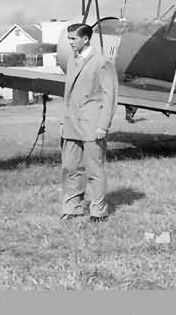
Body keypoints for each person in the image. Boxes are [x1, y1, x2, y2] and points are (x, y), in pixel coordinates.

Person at [59, 23, 118, 222]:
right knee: (69, 167)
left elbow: (110, 96)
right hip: (71, 123)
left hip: (92, 124)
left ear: (85, 39)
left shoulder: (102, 62)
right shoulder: (71, 60)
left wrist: (103, 125)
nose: (69, 43)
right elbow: (68, 95)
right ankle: (72, 207)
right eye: (69, 38)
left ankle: (98, 211)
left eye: (73, 39)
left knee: (94, 169)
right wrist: (63, 120)